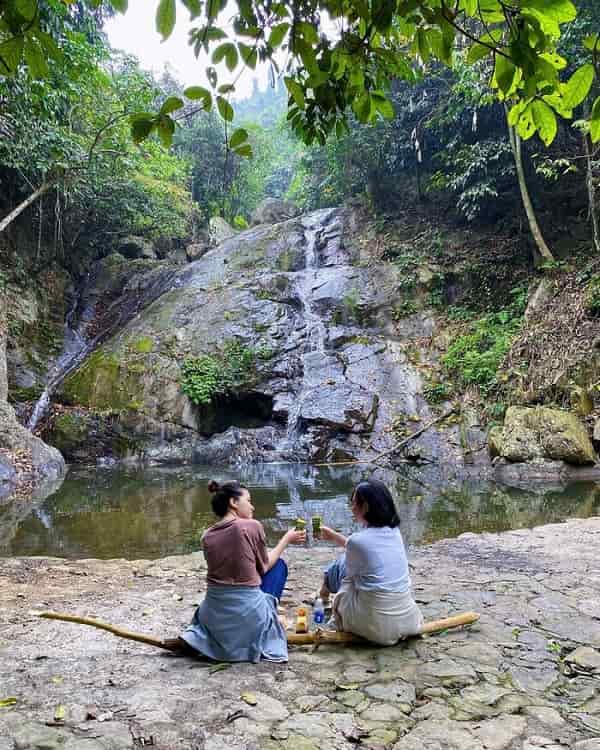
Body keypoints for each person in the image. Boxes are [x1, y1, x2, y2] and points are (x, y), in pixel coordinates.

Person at [166, 479, 306, 662]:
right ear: (233, 502)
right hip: (247, 615)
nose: (252, 507)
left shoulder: (206, 536)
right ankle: (268, 616)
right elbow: (264, 567)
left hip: (213, 616)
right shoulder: (251, 526)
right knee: (278, 566)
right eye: (248, 501)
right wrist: (286, 539)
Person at [318, 478, 423, 645]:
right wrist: (334, 537)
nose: (352, 508)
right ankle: (323, 593)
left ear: (365, 507)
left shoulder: (357, 541)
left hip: (374, 627)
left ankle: (323, 595)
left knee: (340, 565)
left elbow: (350, 577)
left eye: (354, 503)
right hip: (406, 621)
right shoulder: (395, 532)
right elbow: (366, 549)